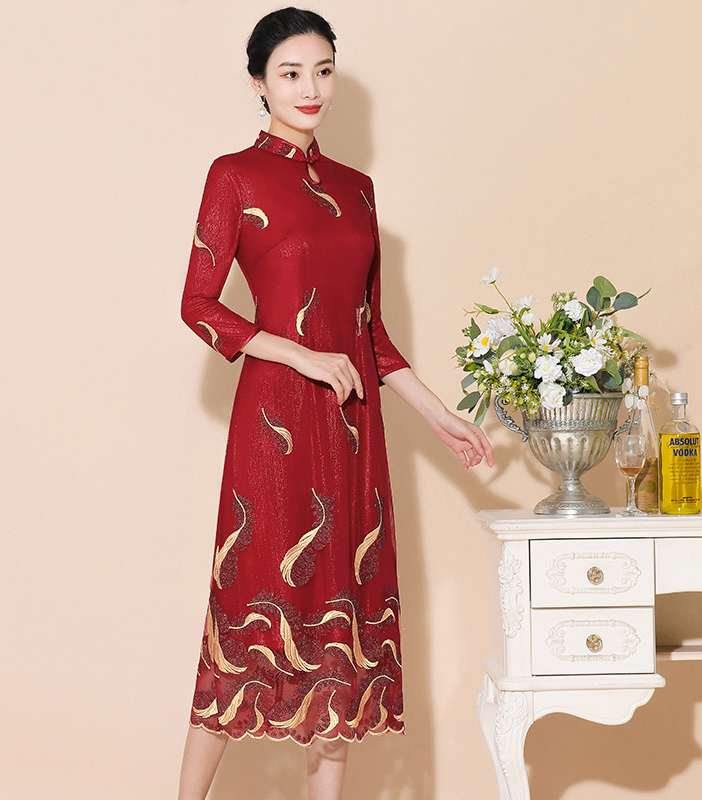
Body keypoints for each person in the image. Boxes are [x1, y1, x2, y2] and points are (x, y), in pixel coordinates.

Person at [178, 8, 493, 799]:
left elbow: (369, 332)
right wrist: (297, 352)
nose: (309, 87)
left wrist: (439, 415)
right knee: (248, 622)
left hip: (354, 433)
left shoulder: (358, 190)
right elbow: (199, 304)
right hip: (273, 427)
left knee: (341, 631)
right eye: (290, 73)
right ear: (259, 83)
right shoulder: (235, 176)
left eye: (322, 70)